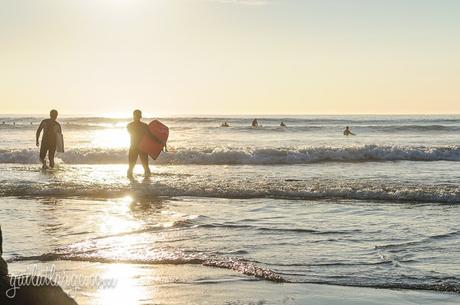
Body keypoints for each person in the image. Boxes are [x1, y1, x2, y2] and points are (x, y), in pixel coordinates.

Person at [127, 110, 164, 179]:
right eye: (136, 115)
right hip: (138, 147)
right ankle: (134, 181)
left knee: (145, 166)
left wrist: (160, 142)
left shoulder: (131, 125)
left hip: (139, 147)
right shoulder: (140, 126)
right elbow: (149, 136)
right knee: (132, 166)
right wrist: (159, 141)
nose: (137, 117)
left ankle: (146, 180)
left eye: (138, 115)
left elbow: (151, 136)